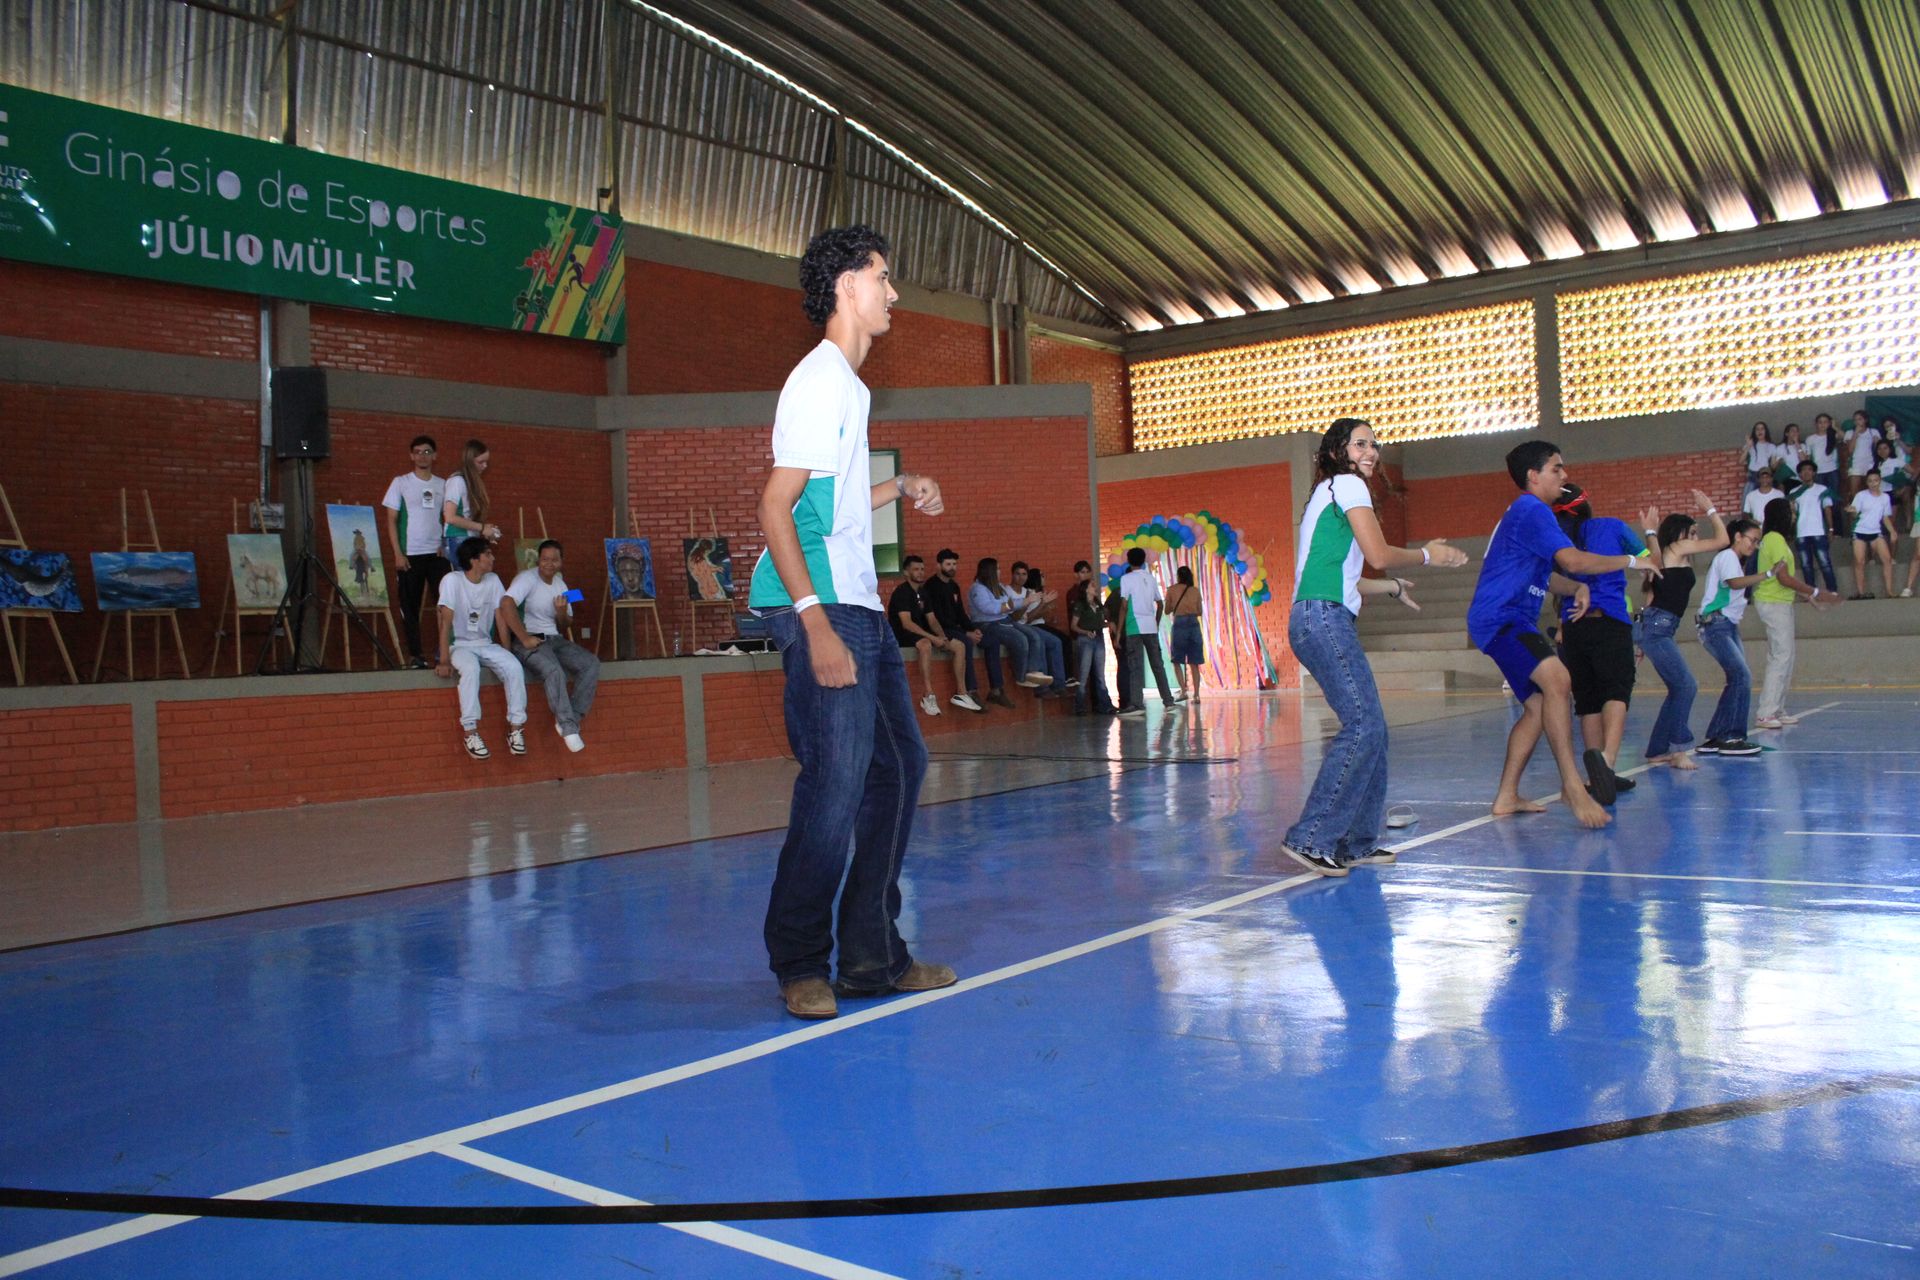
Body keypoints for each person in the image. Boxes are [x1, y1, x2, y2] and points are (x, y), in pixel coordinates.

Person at [745, 224, 956, 1021]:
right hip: (824, 605)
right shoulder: (820, 380)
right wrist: (815, 623)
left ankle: (870, 956)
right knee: (835, 785)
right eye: (883, 277)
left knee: (898, 769)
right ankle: (800, 960)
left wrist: (896, 488)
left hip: (857, 602)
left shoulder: (849, 387)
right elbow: (775, 506)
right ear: (846, 286)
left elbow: (825, 509)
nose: (893, 293)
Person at [1281, 417, 1469, 876]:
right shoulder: (1347, 485)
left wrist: (1391, 587)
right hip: (1323, 618)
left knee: (1373, 729)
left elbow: (1348, 577)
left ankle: (1356, 842)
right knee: (1363, 725)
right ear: (1338, 452)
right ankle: (1311, 836)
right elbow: (1380, 554)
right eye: (1360, 444)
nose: (1371, 452)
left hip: (1318, 616)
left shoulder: (1330, 494)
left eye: (1374, 444)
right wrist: (1430, 555)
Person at [1466, 441, 1660, 829]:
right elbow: (1573, 560)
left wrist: (1575, 587)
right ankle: (1572, 787)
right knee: (1558, 679)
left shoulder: (1531, 515)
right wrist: (1632, 560)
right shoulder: (1531, 509)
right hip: (1502, 618)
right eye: (1557, 468)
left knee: (1539, 706)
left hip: (1510, 618)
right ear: (1533, 476)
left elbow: (1550, 575)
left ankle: (1507, 796)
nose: (1564, 475)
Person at [1551, 482, 1653, 804]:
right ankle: (1607, 761)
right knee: (1616, 690)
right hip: (1609, 619)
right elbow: (1651, 562)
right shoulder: (1613, 526)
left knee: (1588, 700)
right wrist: (1651, 532)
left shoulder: (1556, 538)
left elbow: (1551, 580)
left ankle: (1594, 775)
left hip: (1574, 624)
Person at [1637, 498, 1727, 770]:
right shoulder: (1676, 548)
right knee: (1687, 686)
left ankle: (1657, 750)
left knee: (1678, 688)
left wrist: (1640, 639)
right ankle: (1678, 749)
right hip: (1657, 628)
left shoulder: (1670, 555)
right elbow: (1722, 540)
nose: (1696, 538)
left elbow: (1652, 595)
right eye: (1693, 533)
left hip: (1658, 628)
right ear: (1679, 534)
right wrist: (1710, 509)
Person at [436, 537, 533, 760]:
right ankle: (470, 732)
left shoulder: (493, 580)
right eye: (487, 554)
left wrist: (507, 650)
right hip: (459, 645)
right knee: (471, 669)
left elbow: (500, 618)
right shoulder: (452, 580)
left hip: (485, 644)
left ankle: (516, 729)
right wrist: (444, 660)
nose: (493, 558)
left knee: (513, 667)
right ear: (474, 560)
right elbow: (445, 622)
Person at [1753, 495, 1838, 731]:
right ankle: (1766, 713)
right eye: (1790, 512)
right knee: (1780, 657)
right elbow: (1783, 577)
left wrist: (1808, 598)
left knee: (1785, 657)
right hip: (1773, 603)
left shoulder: (1777, 540)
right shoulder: (1773, 539)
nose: (1793, 516)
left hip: (1781, 602)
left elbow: (1786, 579)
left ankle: (1777, 708)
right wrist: (1816, 591)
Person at [506, 538, 599, 752]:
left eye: (554, 560)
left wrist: (560, 612)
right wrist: (524, 638)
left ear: (561, 562)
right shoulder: (526, 579)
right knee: (554, 670)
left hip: (554, 638)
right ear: (538, 560)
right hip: (531, 638)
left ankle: (572, 718)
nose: (549, 564)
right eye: (545, 559)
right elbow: (506, 603)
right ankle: (568, 727)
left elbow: (565, 624)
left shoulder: (560, 584)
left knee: (591, 663)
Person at [1694, 516, 1766, 758]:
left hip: (1727, 625)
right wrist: (1766, 574)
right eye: (1752, 540)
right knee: (1741, 676)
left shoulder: (1734, 560)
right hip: (1716, 624)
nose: (1754, 545)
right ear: (1737, 537)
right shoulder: (1727, 557)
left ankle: (1717, 735)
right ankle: (1732, 737)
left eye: (1757, 542)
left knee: (1737, 678)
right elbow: (1734, 583)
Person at [381, 434, 449, 668]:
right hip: (410, 555)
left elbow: (448, 518)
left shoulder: (443, 485)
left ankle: (446, 652)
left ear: (435, 455)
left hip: (437, 556)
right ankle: (416, 656)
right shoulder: (401, 483)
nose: (422, 456)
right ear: (411, 456)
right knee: (409, 606)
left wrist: (445, 544)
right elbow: (391, 520)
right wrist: (398, 554)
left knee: (445, 604)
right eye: (418, 452)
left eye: (427, 452)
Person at [889, 554, 981, 714]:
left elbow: (932, 620)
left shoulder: (923, 592)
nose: (920, 572)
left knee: (959, 646)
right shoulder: (901, 592)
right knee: (925, 645)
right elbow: (907, 623)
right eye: (916, 569)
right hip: (903, 634)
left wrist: (942, 636)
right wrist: (932, 638)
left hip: (922, 632)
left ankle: (961, 693)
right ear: (906, 572)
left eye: (922, 569)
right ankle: (928, 695)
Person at [926, 548, 1004, 707]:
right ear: (938, 566)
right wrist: (966, 633)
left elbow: (960, 613)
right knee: (966, 643)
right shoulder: (931, 586)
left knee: (992, 640)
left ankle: (996, 689)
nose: (952, 567)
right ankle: (971, 690)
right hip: (941, 630)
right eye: (948, 564)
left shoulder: (954, 586)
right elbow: (938, 618)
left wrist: (973, 629)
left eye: (954, 564)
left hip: (957, 628)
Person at [969, 558, 1055, 692]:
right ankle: (1021, 677)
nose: (1000, 571)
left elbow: (1010, 603)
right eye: (997, 569)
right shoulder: (978, 588)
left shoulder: (999, 587)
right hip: (987, 624)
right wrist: (1018, 603)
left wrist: (1026, 601)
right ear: (989, 571)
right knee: (1020, 639)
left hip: (1004, 620)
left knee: (1034, 636)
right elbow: (988, 608)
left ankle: (1032, 671)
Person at [1116, 546, 1178, 716]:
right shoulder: (1150, 578)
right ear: (1144, 561)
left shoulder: (1126, 579)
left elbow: (1124, 606)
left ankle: (1137, 704)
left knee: (1135, 667)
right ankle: (1168, 701)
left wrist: (1119, 632)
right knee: (1158, 665)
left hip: (1133, 627)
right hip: (1150, 627)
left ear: (1129, 561)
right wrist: (1155, 622)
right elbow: (1160, 604)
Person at [1066, 560, 1114, 713]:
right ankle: (1080, 705)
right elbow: (1073, 625)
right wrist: (1085, 632)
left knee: (1100, 674)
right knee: (1084, 674)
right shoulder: (1079, 604)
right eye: (1092, 586)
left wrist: (1107, 624)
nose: (1095, 588)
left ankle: (1105, 704)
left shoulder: (1097, 604)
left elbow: (1100, 621)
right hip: (1085, 639)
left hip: (1098, 638)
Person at [442, 439, 502, 561]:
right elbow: (450, 517)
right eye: (481, 462)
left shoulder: (472, 482)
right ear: (469, 461)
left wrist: (485, 528)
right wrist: (482, 528)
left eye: (486, 462)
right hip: (457, 537)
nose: (485, 466)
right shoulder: (456, 481)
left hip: (469, 538)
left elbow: (468, 515)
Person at [1844, 467, 1896, 599]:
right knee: (1860, 561)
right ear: (1867, 483)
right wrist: (1852, 511)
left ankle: (1889, 590)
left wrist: (1892, 531)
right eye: (1870, 481)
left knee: (1887, 559)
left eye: (1876, 480)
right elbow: (1855, 514)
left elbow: (1885, 517)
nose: (1873, 483)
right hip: (1860, 530)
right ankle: (1861, 592)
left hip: (1876, 531)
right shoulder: (1861, 495)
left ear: (1880, 481)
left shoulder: (1885, 497)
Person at [1788, 459, 1838, 592]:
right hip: (1801, 533)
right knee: (1806, 565)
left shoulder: (1822, 489)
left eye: (1809, 470)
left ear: (1814, 473)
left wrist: (1831, 529)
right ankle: (1811, 593)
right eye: (1803, 470)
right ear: (1799, 474)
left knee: (1825, 563)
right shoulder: (1794, 492)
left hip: (1819, 531)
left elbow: (1827, 509)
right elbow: (1793, 514)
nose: (1806, 472)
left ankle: (1832, 591)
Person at [1166, 564, 1205, 703]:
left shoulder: (1172, 590)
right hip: (1194, 625)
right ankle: (1197, 695)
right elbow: (1199, 611)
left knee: (1176, 660)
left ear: (1178, 576)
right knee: (1194, 662)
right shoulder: (1195, 591)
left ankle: (1183, 691)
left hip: (1180, 625)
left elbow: (1166, 610)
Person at [1844, 409, 1877, 504]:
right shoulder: (1849, 433)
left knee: (1870, 490)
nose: (1857, 422)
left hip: (1869, 464)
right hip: (1855, 464)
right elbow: (1850, 450)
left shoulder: (1873, 432)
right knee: (1854, 492)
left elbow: (1878, 449)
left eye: (1860, 419)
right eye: (1855, 420)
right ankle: (1855, 509)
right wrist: (1855, 434)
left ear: (1865, 420)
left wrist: (1876, 442)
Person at [1808, 412, 1843, 499]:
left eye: (1825, 422)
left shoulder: (1833, 436)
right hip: (1818, 471)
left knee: (1834, 495)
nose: (1822, 424)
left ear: (1829, 423)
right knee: (1820, 495)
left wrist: (1834, 426)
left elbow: (1844, 436)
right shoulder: (1810, 439)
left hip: (1832, 469)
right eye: (1820, 422)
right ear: (1816, 424)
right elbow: (1808, 456)